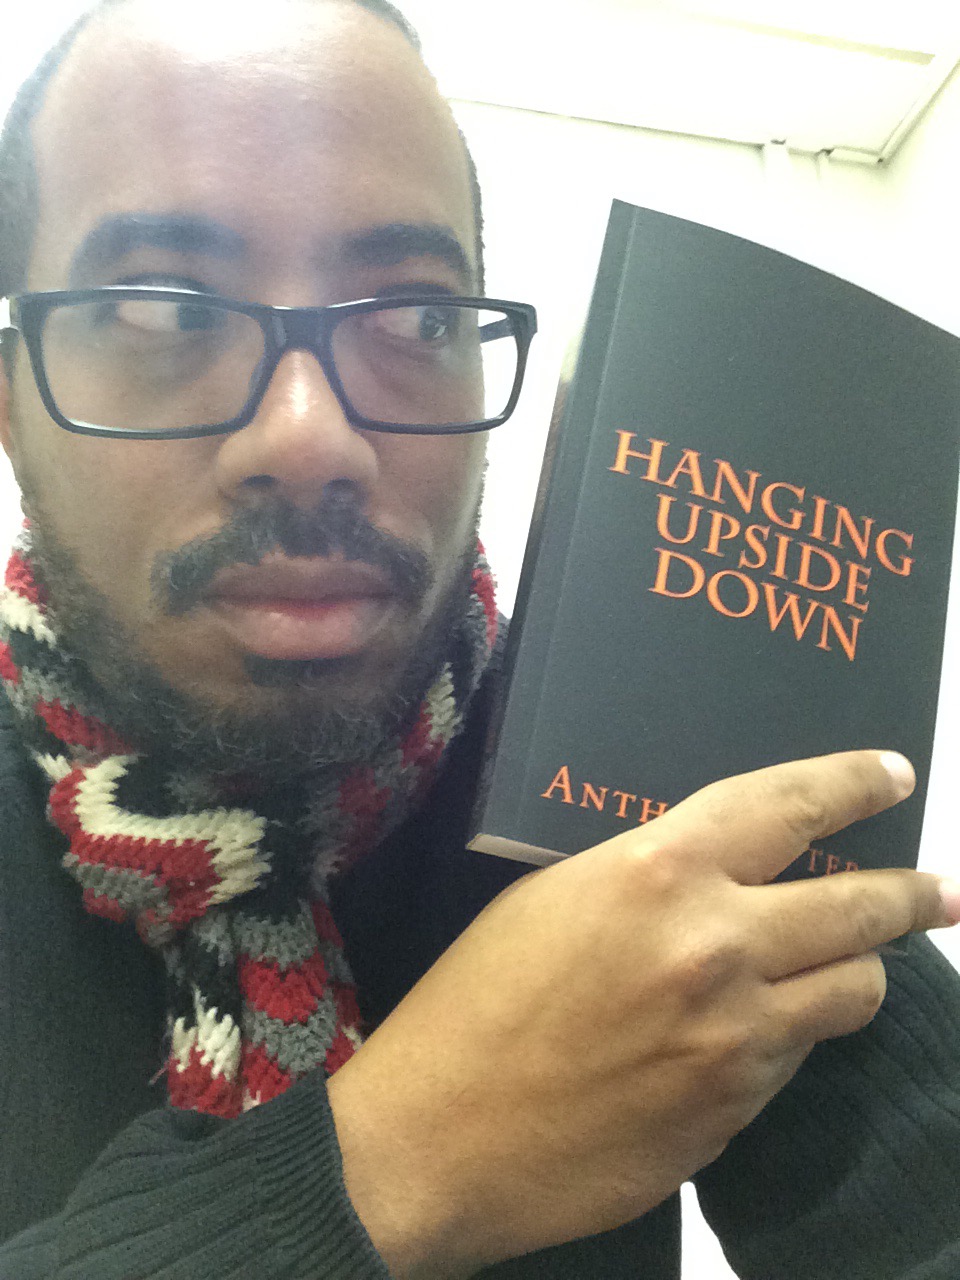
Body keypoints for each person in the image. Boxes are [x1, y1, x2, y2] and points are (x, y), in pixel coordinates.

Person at [0, 1, 959, 1276]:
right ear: (11, 399)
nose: (310, 437)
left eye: (416, 319)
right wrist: (402, 1161)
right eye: (167, 311)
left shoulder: (615, 759)